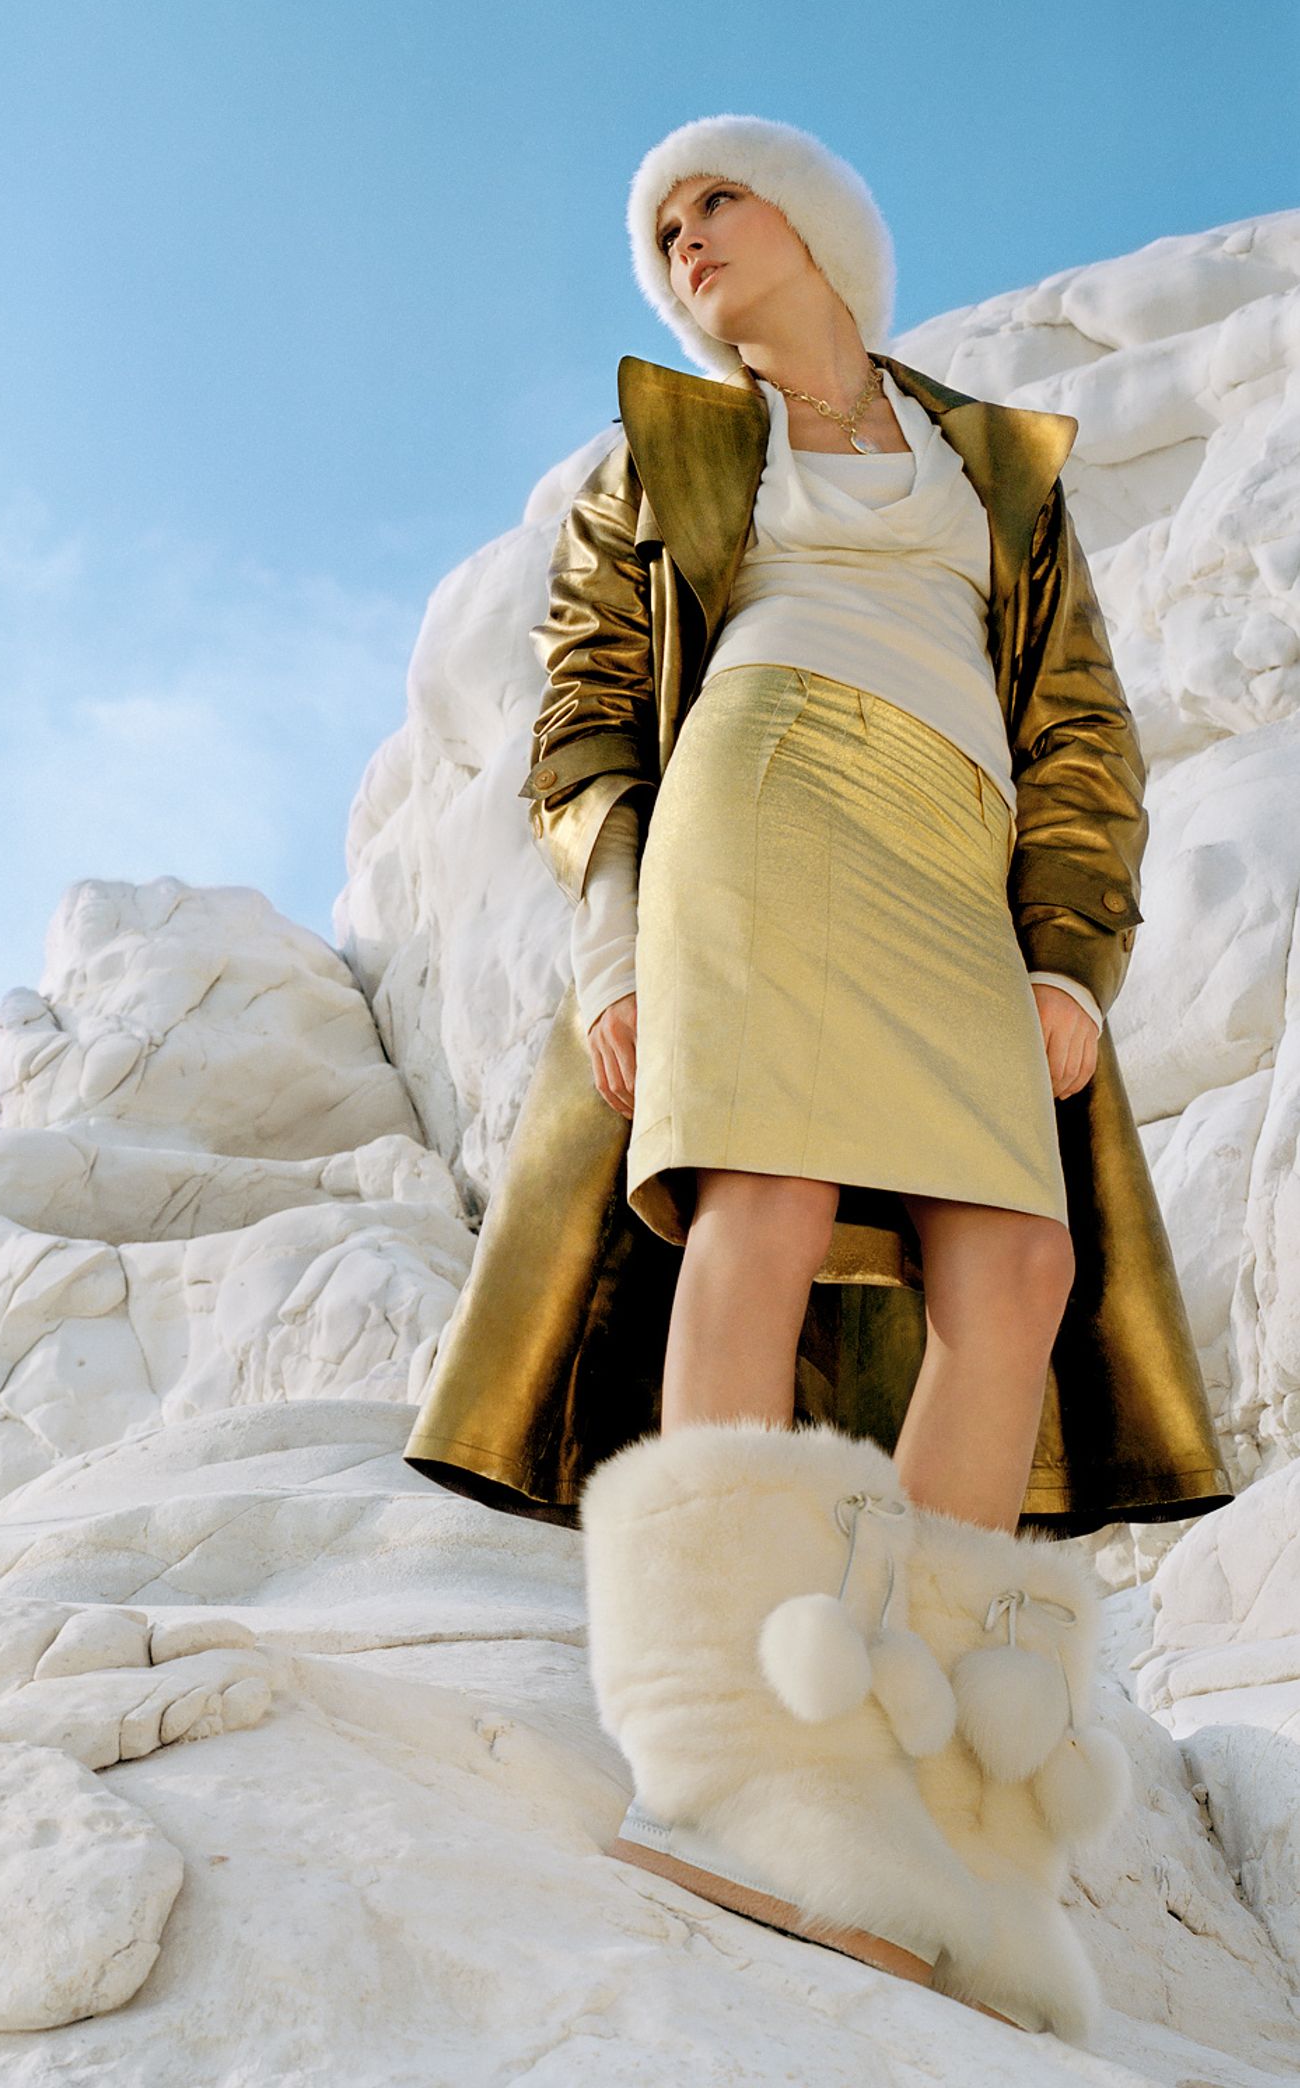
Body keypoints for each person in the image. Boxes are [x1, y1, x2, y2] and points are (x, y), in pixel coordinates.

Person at [500, 113, 1196, 2029]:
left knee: (1021, 1277)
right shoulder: (674, 450)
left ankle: (908, 1792)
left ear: (813, 222)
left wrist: (1071, 950)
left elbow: (1083, 733)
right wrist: (610, 936)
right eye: (659, 224)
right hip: (763, 793)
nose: (683, 237)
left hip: (954, 854)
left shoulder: (990, 463)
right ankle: (725, 1757)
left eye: (713, 196)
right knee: (769, 1204)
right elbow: (579, 712)